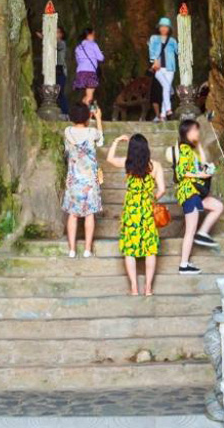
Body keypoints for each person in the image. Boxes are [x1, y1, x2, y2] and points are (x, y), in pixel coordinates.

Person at [108, 132, 159, 296]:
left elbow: (109, 158)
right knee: (150, 250)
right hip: (147, 211)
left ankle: (134, 288)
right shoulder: (155, 166)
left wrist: (116, 140)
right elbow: (163, 189)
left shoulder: (127, 164)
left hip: (131, 212)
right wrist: (150, 198)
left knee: (130, 250)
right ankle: (149, 288)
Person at [172, 118, 223, 273]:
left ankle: (203, 233)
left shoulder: (191, 149)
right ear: (187, 132)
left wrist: (199, 145)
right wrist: (200, 174)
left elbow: (202, 163)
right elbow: (180, 172)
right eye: (195, 130)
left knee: (217, 206)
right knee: (190, 230)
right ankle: (184, 265)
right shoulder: (185, 149)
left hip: (195, 192)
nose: (198, 133)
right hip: (189, 192)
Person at [62, 103, 103, 257]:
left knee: (72, 214)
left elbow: (66, 151)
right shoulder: (92, 132)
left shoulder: (67, 132)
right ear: (87, 116)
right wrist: (98, 118)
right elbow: (101, 141)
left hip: (73, 179)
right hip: (89, 181)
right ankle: (87, 250)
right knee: (89, 214)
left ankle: (72, 250)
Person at [147, 17, 179, 121]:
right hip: (159, 68)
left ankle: (163, 114)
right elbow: (151, 51)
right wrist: (154, 60)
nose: (164, 29)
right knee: (166, 87)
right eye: (162, 27)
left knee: (166, 88)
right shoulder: (154, 39)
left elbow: (178, 51)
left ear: (169, 29)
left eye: (166, 27)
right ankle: (168, 109)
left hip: (170, 68)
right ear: (159, 28)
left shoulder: (173, 41)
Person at [73, 27, 104, 111]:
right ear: (89, 35)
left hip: (80, 72)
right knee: (90, 96)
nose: (94, 36)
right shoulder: (93, 44)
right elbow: (101, 58)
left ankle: (82, 112)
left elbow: (78, 60)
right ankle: (90, 116)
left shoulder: (78, 47)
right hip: (90, 72)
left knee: (87, 96)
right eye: (93, 34)